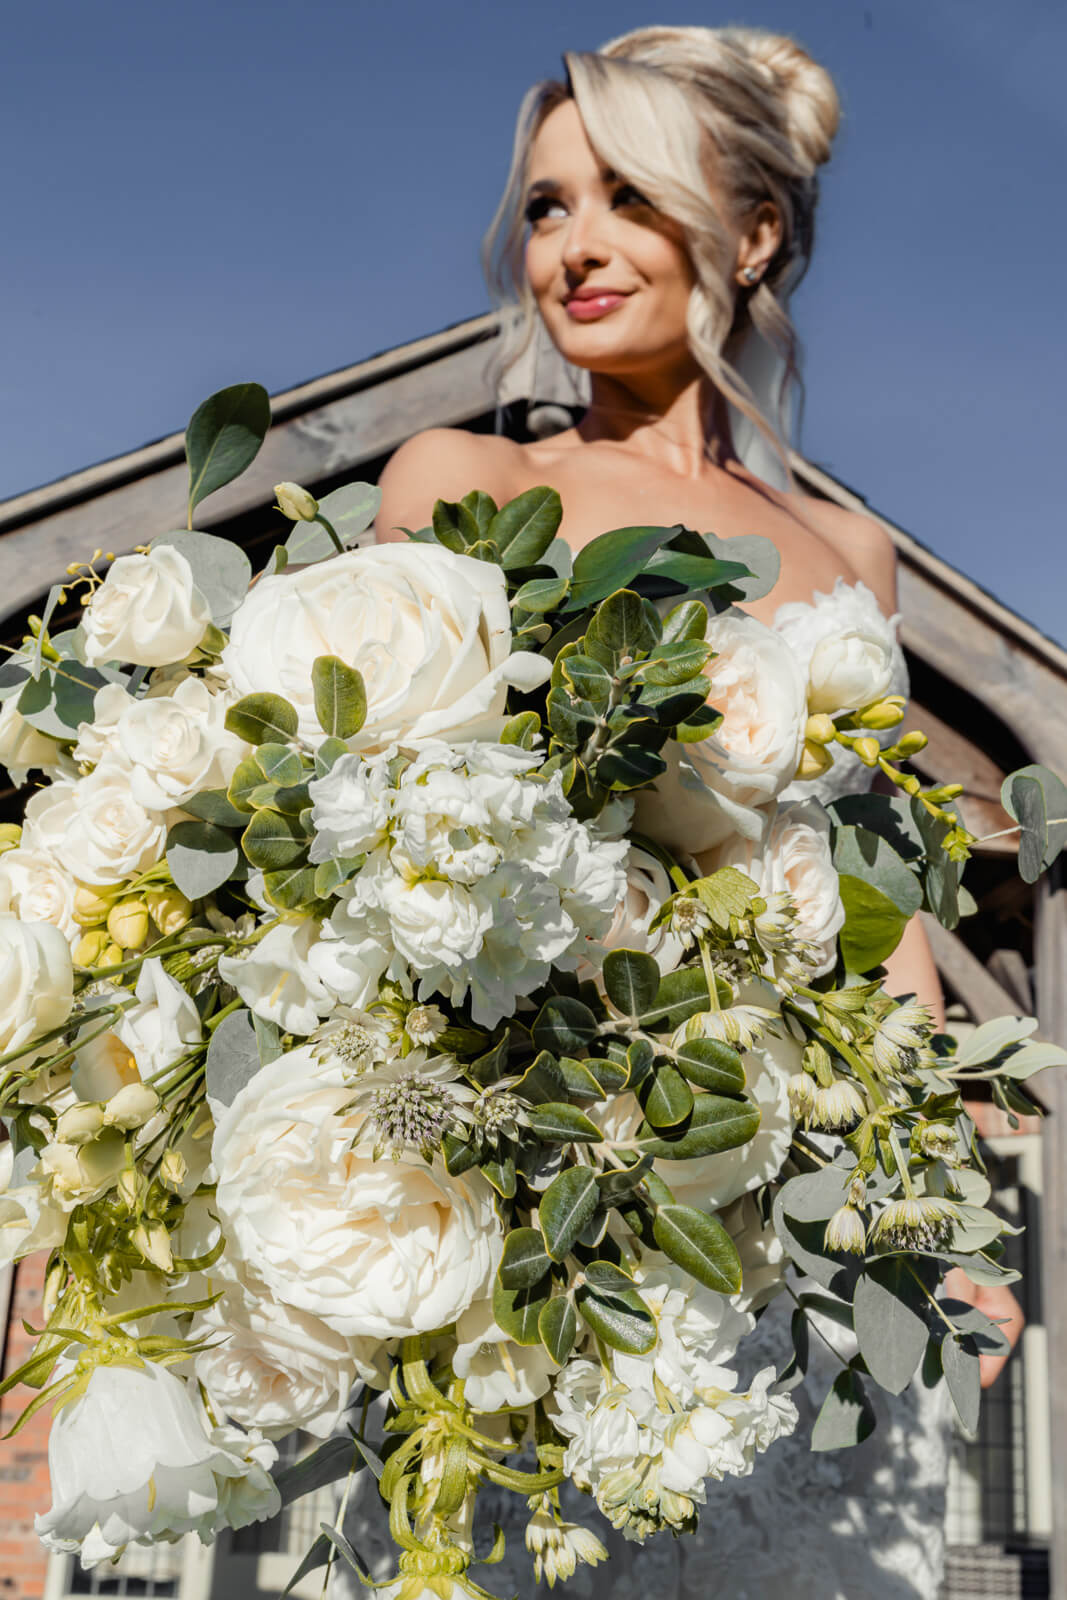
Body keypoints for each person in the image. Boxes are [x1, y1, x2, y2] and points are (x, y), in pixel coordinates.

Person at [365, 25, 1021, 1597]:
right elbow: (376, 859)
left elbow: (882, 915)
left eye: (624, 200)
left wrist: (945, 1229)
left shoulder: (852, 556)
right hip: (546, 1233)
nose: (571, 248)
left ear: (751, 233)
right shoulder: (453, 479)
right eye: (542, 208)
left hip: (796, 1239)